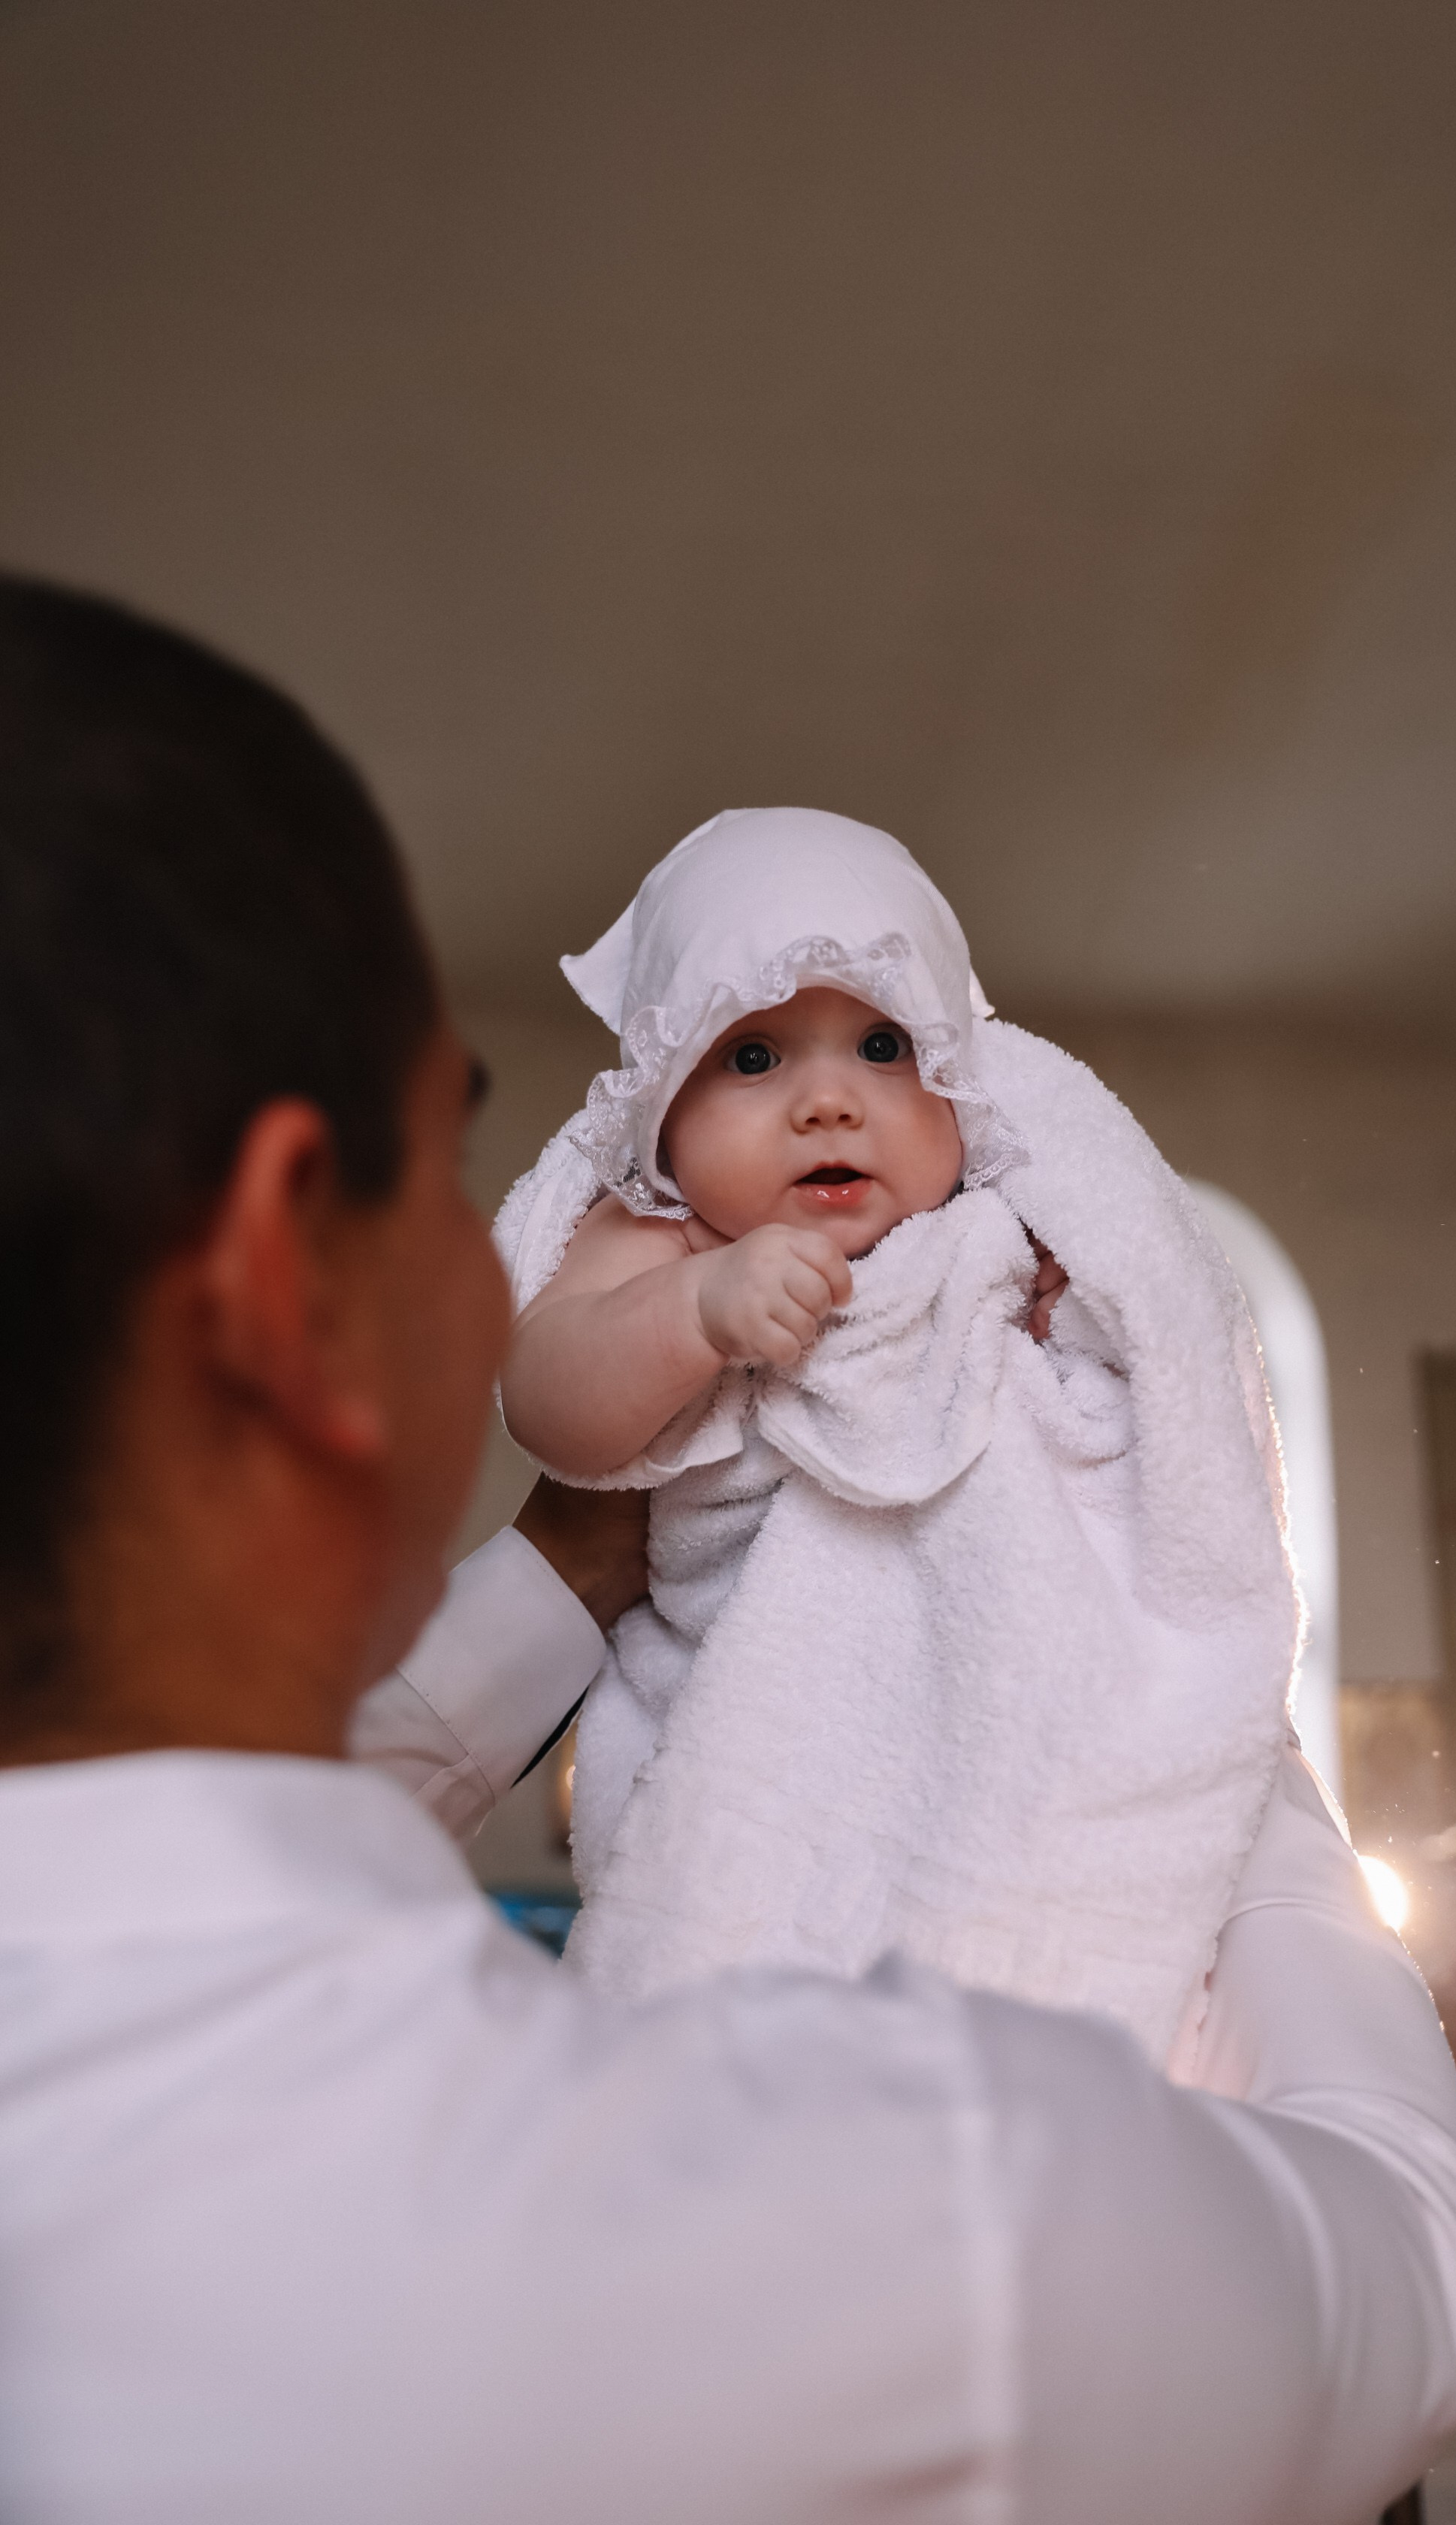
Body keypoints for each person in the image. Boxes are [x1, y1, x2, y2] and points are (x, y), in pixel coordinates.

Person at [0, 573, 1456, 2523]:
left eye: (883, 1049)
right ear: (288, 1278)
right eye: (460, 1172)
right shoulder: (920, 2225)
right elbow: (1411, 2256)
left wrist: (560, 1576)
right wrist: (1253, 1792)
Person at [496, 808, 1298, 2064]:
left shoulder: (993, 1229)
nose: (829, 1102)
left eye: (883, 1046)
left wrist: (1066, 1319)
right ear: (660, 1107)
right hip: (764, 1742)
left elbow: (1144, 1400)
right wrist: (691, 1314)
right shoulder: (663, 1233)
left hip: (993, 1705)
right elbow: (551, 1406)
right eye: (753, 1057)